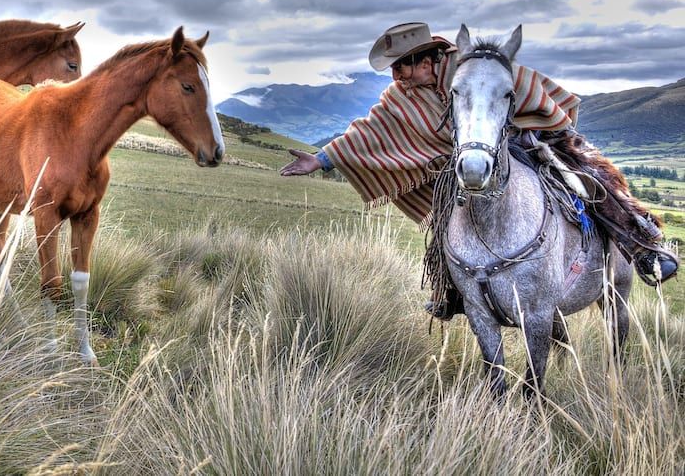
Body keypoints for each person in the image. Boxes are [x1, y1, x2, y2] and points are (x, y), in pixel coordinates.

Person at [280, 22, 678, 319]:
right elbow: (371, 130)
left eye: (401, 66)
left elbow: (529, 89)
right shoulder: (403, 95)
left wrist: (540, 132)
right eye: (393, 69)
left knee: (587, 179)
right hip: (469, 156)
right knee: (445, 214)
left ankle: (642, 245)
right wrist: (320, 159)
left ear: (427, 59)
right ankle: (452, 291)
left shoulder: (478, 67)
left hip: (525, 137)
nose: (395, 75)